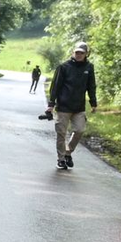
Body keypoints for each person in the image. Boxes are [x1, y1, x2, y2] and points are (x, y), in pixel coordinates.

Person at [44, 41, 97, 169]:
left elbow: (91, 86)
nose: (79, 55)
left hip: (79, 107)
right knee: (61, 133)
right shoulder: (64, 67)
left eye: (81, 53)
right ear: (73, 52)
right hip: (63, 106)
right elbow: (55, 86)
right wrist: (51, 104)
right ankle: (61, 159)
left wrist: (93, 102)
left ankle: (68, 152)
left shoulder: (89, 67)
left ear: (86, 54)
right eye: (77, 52)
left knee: (80, 130)